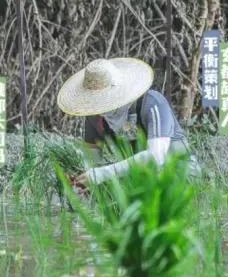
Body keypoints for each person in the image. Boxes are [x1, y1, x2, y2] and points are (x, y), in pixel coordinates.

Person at [56, 57, 196, 191]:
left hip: (181, 179)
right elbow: (92, 162)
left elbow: (156, 157)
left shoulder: (152, 103)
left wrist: (101, 174)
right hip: (138, 183)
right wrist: (83, 181)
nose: (98, 108)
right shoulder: (94, 117)